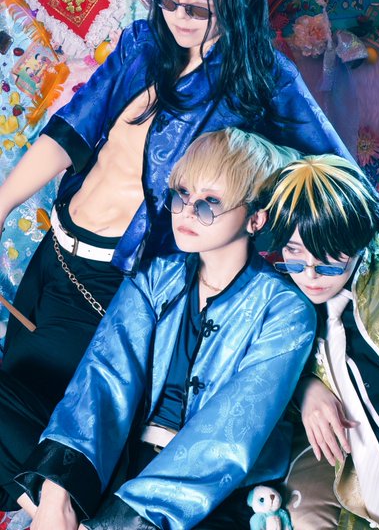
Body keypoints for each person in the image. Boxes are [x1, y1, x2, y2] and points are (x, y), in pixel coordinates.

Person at [0, 0, 351, 512]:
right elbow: (70, 131)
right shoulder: (142, 46)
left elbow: (341, 196)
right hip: (54, 263)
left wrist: (310, 375)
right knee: (17, 412)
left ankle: (63, 511)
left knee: (67, 439)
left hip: (117, 291)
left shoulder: (264, 82)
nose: (180, 15)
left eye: (200, 3)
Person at [14, 128, 316, 530]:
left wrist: (113, 525)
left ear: (256, 218)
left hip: (213, 495)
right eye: (182, 194)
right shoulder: (155, 276)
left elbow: (227, 439)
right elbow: (103, 378)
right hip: (124, 460)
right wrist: (57, 496)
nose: (187, 212)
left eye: (210, 203)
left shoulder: (285, 310)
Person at [265, 155, 379, 530]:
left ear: (360, 235)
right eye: (294, 253)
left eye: (329, 255)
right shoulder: (287, 315)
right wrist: (306, 390)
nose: (311, 274)